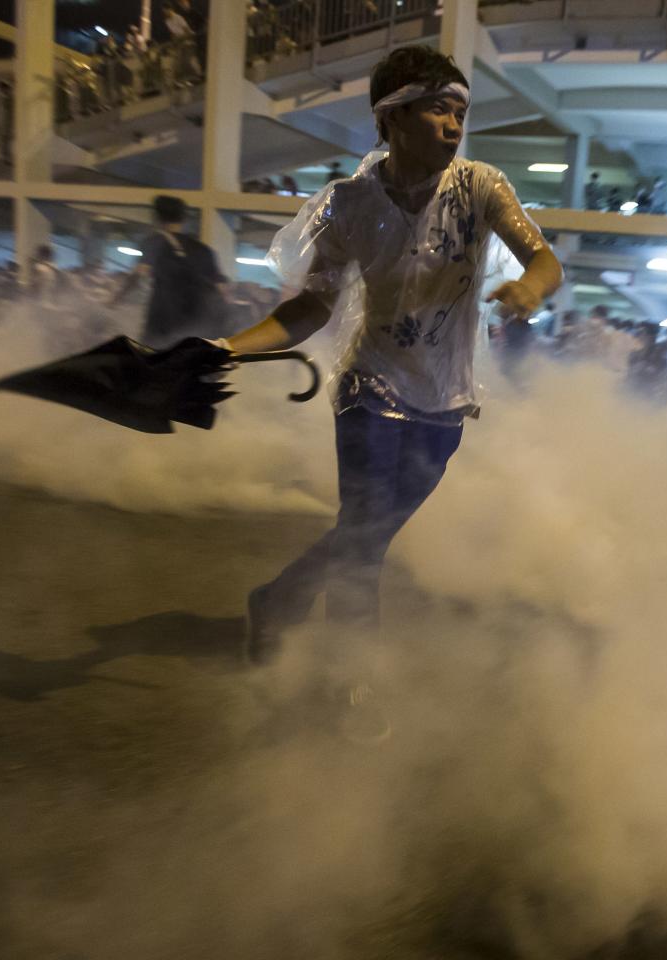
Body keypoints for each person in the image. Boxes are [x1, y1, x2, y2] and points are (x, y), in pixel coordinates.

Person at [224, 45, 563, 659]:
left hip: (446, 399)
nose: (455, 126)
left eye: (460, 112)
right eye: (438, 110)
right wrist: (230, 347)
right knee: (365, 537)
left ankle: (278, 599)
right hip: (369, 386)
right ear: (392, 118)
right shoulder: (349, 206)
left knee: (367, 532)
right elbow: (311, 306)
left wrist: (529, 289)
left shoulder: (482, 186)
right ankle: (350, 678)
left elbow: (543, 258)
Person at [112, 194, 230, 342]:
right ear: (184, 218)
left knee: (152, 358)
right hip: (200, 320)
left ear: (155, 217)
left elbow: (140, 273)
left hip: (164, 318)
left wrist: (116, 299)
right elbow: (221, 289)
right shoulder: (203, 250)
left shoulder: (155, 242)